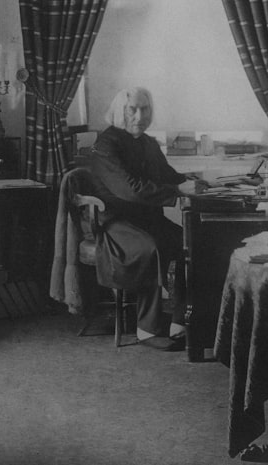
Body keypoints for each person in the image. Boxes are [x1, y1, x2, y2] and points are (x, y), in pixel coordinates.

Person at [88, 87, 205, 351]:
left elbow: (167, 175)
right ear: (120, 112)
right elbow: (130, 189)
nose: (139, 115)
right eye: (133, 109)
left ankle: (178, 321)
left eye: (145, 109)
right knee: (150, 248)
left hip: (147, 219)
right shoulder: (106, 145)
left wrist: (193, 182)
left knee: (188, 243)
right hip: (116, 223)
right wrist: (177, 191)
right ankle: (146, 329)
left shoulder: (148, 143)